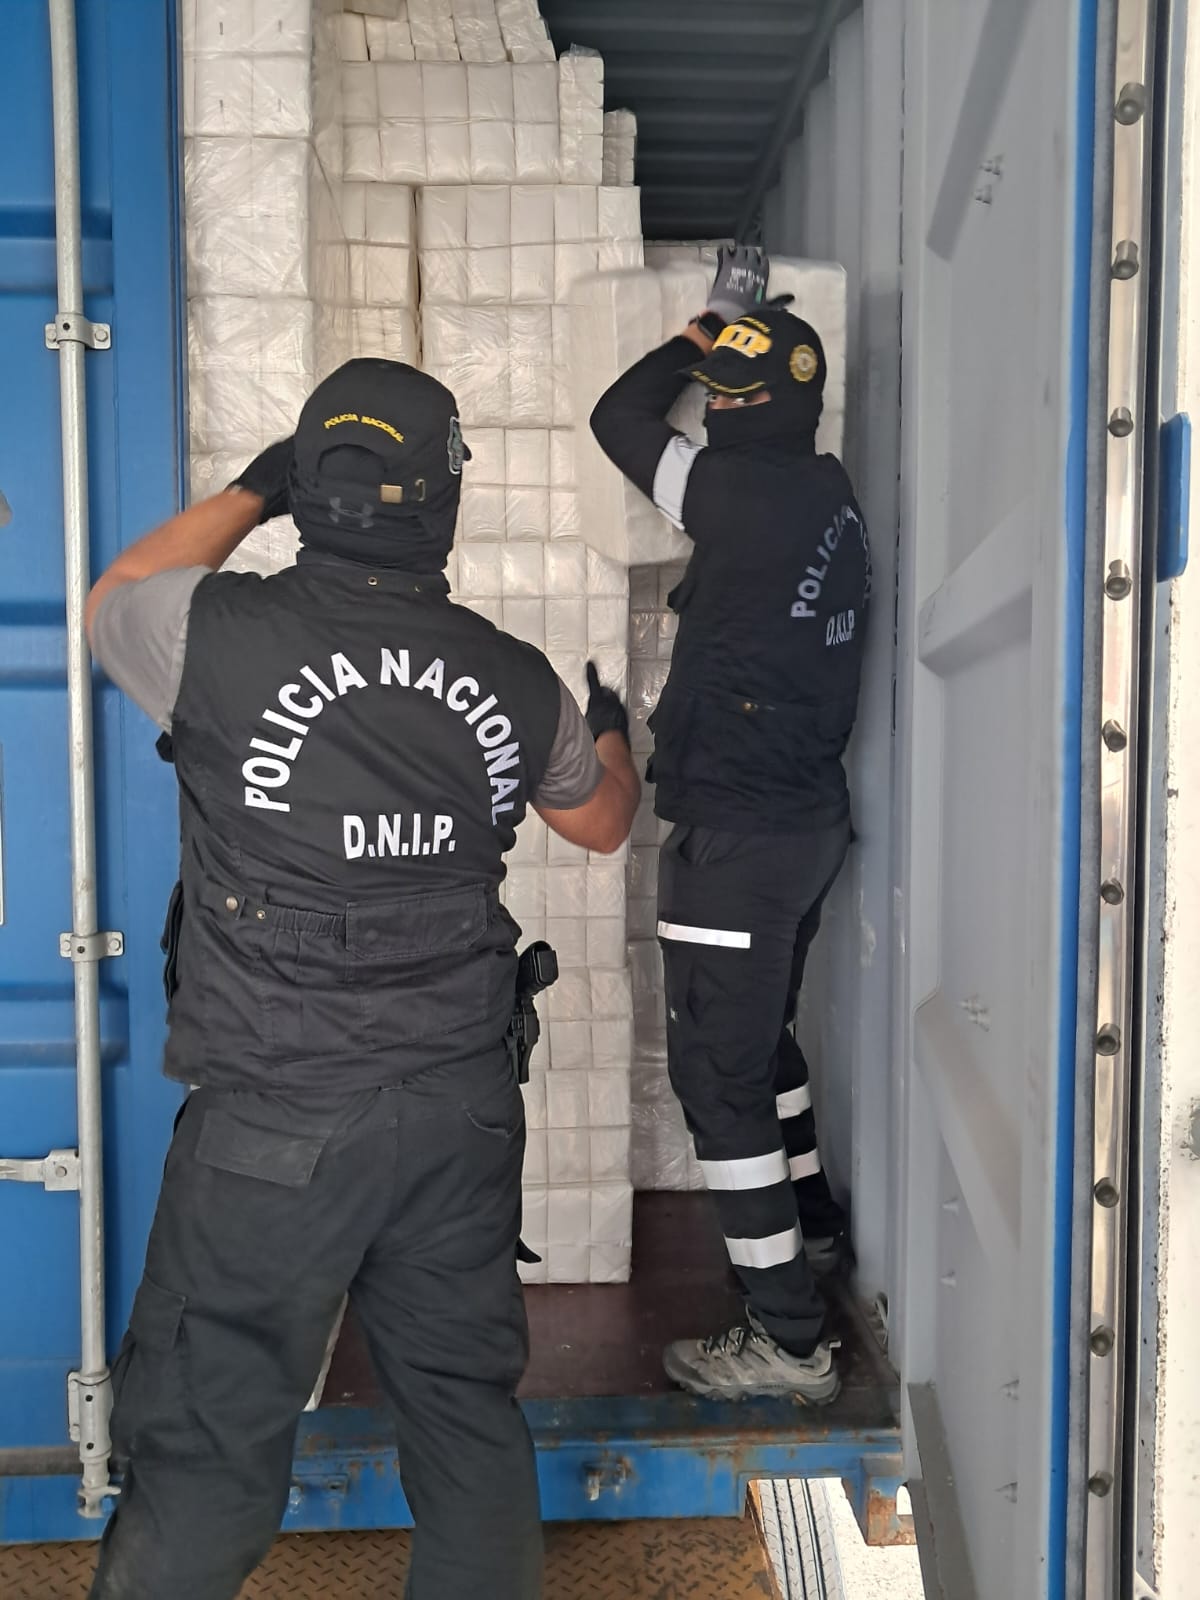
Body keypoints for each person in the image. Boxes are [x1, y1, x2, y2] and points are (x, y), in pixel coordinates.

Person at [85, 358, 640, 1600]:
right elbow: (603, 823)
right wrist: (614, 731)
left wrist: (250, 490)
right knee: (464, 1418)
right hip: (456, 1112)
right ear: (447, 497)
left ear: (308, 486)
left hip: (273, 1126)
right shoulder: (513, 676)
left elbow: (114, 594)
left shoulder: (210, 637)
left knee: (210, 1443)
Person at [590, 247, 871, 1403]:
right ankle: (811, 1232)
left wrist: (706, 325)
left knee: (719, 1079)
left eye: (720, 394)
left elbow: (618, 417)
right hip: (799, 828)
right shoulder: (826, 493)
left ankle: (789, 1339)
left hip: (739, 843)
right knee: (763, 1048)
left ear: (743, 406)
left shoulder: (737, 495)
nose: (707, 408)